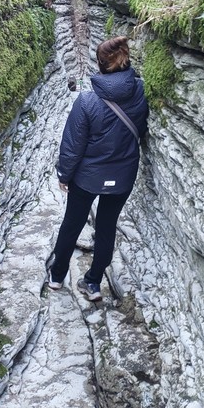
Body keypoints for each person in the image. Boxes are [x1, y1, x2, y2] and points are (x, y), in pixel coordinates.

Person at [47, 36, 149, 301]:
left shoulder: (87, 100)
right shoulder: (140, 90)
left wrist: (64, 174)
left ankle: (57, 276)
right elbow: (140, 126)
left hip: (87, 178)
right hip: (123, 176)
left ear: (101, 64)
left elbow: (72, 145)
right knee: (106, 227)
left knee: (72, 225)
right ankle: (92, 283)